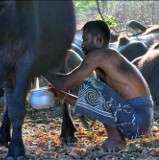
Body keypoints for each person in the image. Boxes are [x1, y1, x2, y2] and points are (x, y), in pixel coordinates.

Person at [45, 20, 153, 150]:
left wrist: (39, 69)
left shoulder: (99, 55)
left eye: (85, 40)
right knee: (92, 87)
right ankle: (116, 138)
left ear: (99, 39)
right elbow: (94, 105)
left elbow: (66, 83)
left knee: (91, 84)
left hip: (136, 120)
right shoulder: (107, 60)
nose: (82, 45)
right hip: (138, 124)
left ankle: (116, 139)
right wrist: (62, 96)